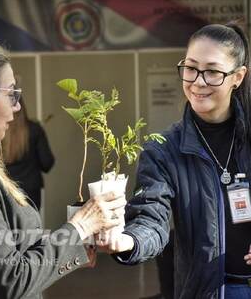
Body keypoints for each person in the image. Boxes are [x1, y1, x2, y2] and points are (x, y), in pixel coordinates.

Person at [0, 38, 127, 299]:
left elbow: (8, 251)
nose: (17, 106)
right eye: (11, 94)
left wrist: (72, 246)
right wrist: (80, 227)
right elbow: (11, 280)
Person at [103, 23, 251, 299]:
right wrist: (128, 241)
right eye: (191, 68)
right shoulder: (163, 150)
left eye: (213, 72)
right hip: (206, 291)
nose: (198, 81)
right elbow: (151, 220)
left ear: (238, 77)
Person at [2, 104, 54, 210]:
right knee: (31, 225)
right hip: (31, 192)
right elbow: (47, 163)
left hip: (6, 189)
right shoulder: (34, 129)